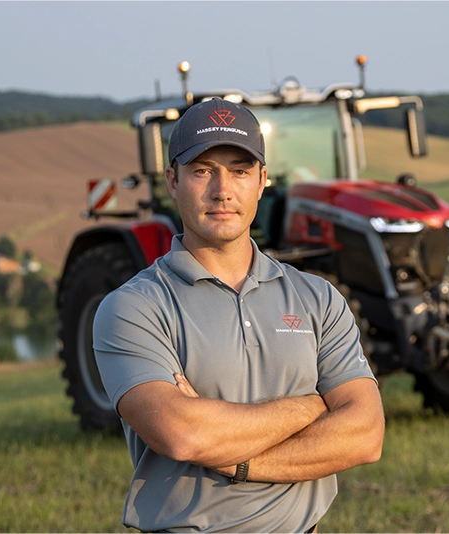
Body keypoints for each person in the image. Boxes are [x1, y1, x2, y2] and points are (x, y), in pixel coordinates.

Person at [93, 97, 385, 533]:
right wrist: (311, 407)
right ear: (173, 181)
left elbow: (365, 435)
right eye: (203, 170)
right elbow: (182, 433)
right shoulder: (133, 308)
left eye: (240, 170)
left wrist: (235, 459)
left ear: (263, 180)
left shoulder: (318, 297)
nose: (222, 190)